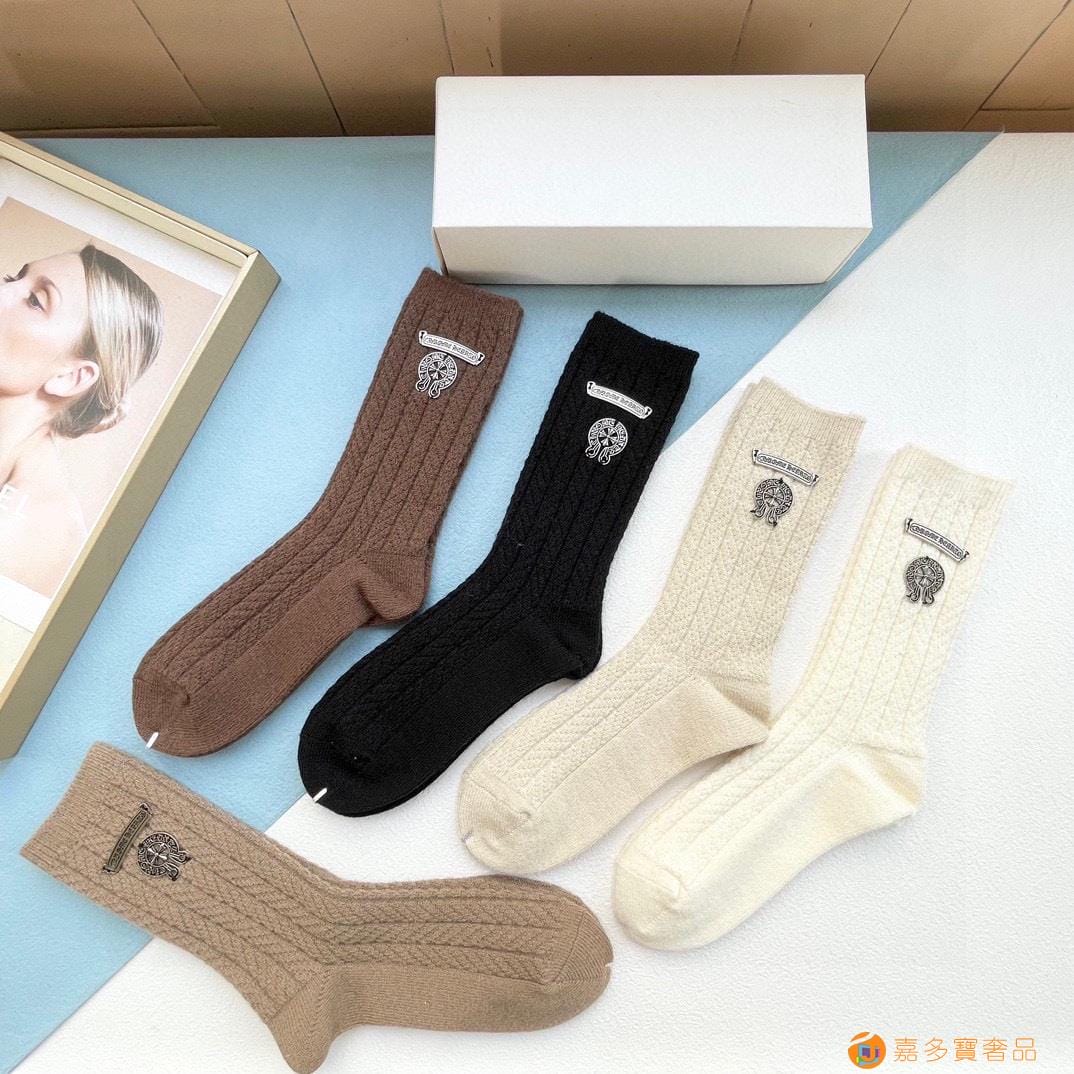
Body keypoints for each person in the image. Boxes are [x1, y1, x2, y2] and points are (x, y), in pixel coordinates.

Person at [0, 244, 162, 596]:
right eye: (13, 278)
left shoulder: (36, 530)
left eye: (35, 301)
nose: (3, 291)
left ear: (71, 377)